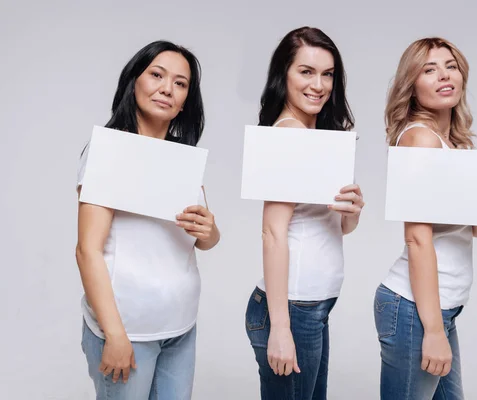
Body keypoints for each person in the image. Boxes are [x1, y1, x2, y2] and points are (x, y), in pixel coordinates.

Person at [75, 40, 220, 400]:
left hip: (180, 327)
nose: (167, 88)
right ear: (134, 81)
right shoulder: (108, 152)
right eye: (157, 75)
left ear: (186, 99)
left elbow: (204, 239)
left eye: (180, 83)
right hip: (128, 331)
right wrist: (115, 335)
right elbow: (86, 251)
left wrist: (210, 230)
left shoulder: (181, 158)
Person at [374, 37, 477, 400]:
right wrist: (433, 330)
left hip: (438, 307)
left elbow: (474, 231)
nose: (444, 75)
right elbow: (417, 238)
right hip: (415, 311)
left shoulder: (452, 142)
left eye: (450, 66)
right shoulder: (420, 140)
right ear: (412, 86)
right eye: (429, 69)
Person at [244, 27, 365, 400]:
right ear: (284, 75)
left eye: (327, 74)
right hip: (292, 310)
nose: (319, 85)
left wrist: (353, 210)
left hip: (312, 307)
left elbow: (336, 227)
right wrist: (281, 328)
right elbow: (273, 233)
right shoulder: (288, 135)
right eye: (306, 72)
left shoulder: (318, 138)